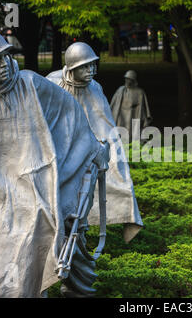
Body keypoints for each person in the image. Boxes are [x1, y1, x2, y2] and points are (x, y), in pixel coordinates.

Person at [0, 29, 109, 298]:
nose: (4, 65)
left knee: (41, 226)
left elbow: (71, 116)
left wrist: (93, 148)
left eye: (6, 57)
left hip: (35, 190)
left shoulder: (31, 84)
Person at [47, 42, 143, 245]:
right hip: (61, 149)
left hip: (93, 147)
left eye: (92, 65)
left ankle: (121, 221)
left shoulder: (95, 88)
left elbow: (105, 126)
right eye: (84, 66)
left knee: (119, 178)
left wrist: (111, 153)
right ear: (72, 68)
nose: (90, 70)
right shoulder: (53, 84)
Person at [110, 70, 152, 139]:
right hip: (121, 115)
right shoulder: (121, 90)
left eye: (129, 79)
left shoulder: (140, 92)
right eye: (126, 79)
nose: (127, 81)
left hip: (133, 114)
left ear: (133, 80)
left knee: (131, 129)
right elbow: (113, 104)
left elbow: (142, 108)